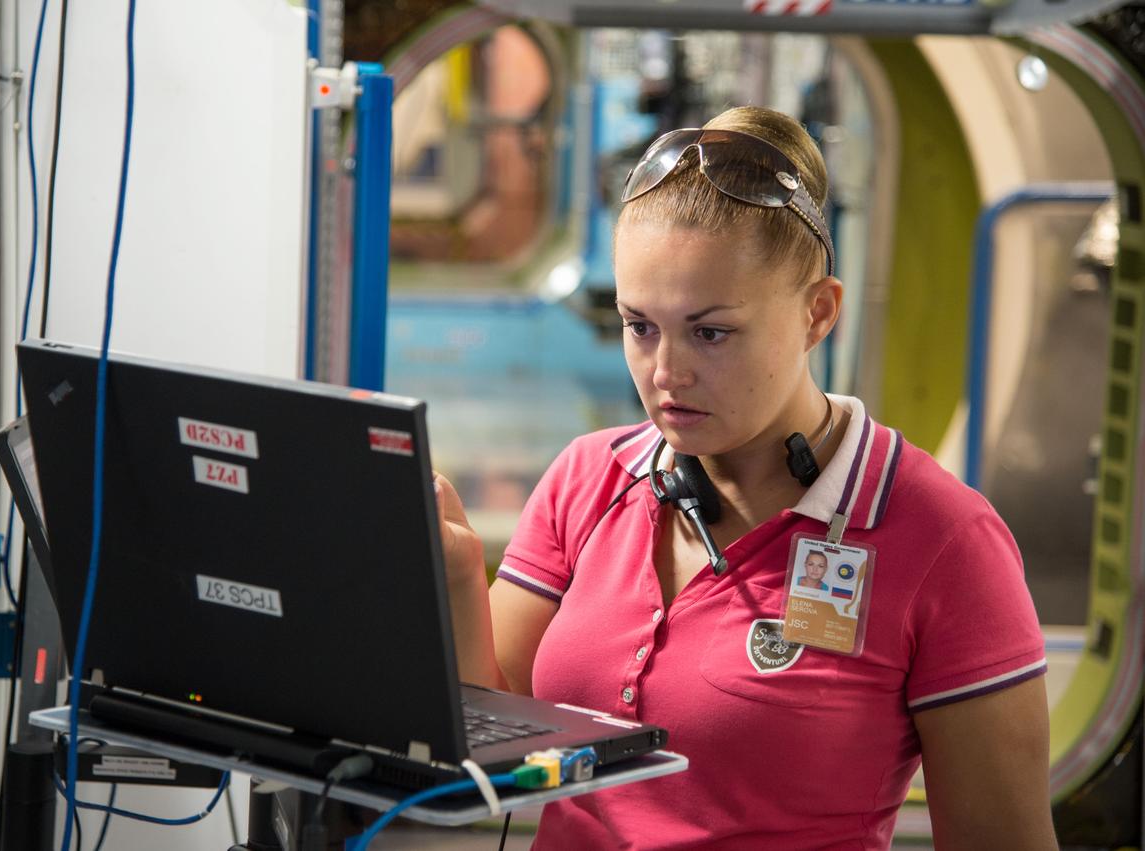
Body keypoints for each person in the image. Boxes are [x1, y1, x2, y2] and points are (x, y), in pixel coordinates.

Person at [434, 106, 1056, 849]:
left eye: (711, 332)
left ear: (817, 313)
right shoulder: (590, 478)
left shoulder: (944, 542)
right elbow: (490, 744)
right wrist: (457, 572)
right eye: (640, 326)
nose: (666, 373)